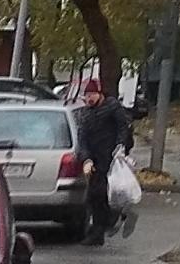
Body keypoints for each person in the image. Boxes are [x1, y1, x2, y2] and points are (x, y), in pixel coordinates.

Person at [72, 75, 132, 245]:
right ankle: (101, 227)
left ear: (99, 94)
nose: (89, 98)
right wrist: (86, 159)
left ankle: (103, 226)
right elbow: (82, 139)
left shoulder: (112, 107)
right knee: (95, 195)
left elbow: (123, 128)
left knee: (104, 193)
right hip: (95, 160)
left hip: (111, 158)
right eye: (86, 95)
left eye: (92, 95)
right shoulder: (86, 114)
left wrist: (121, 146)